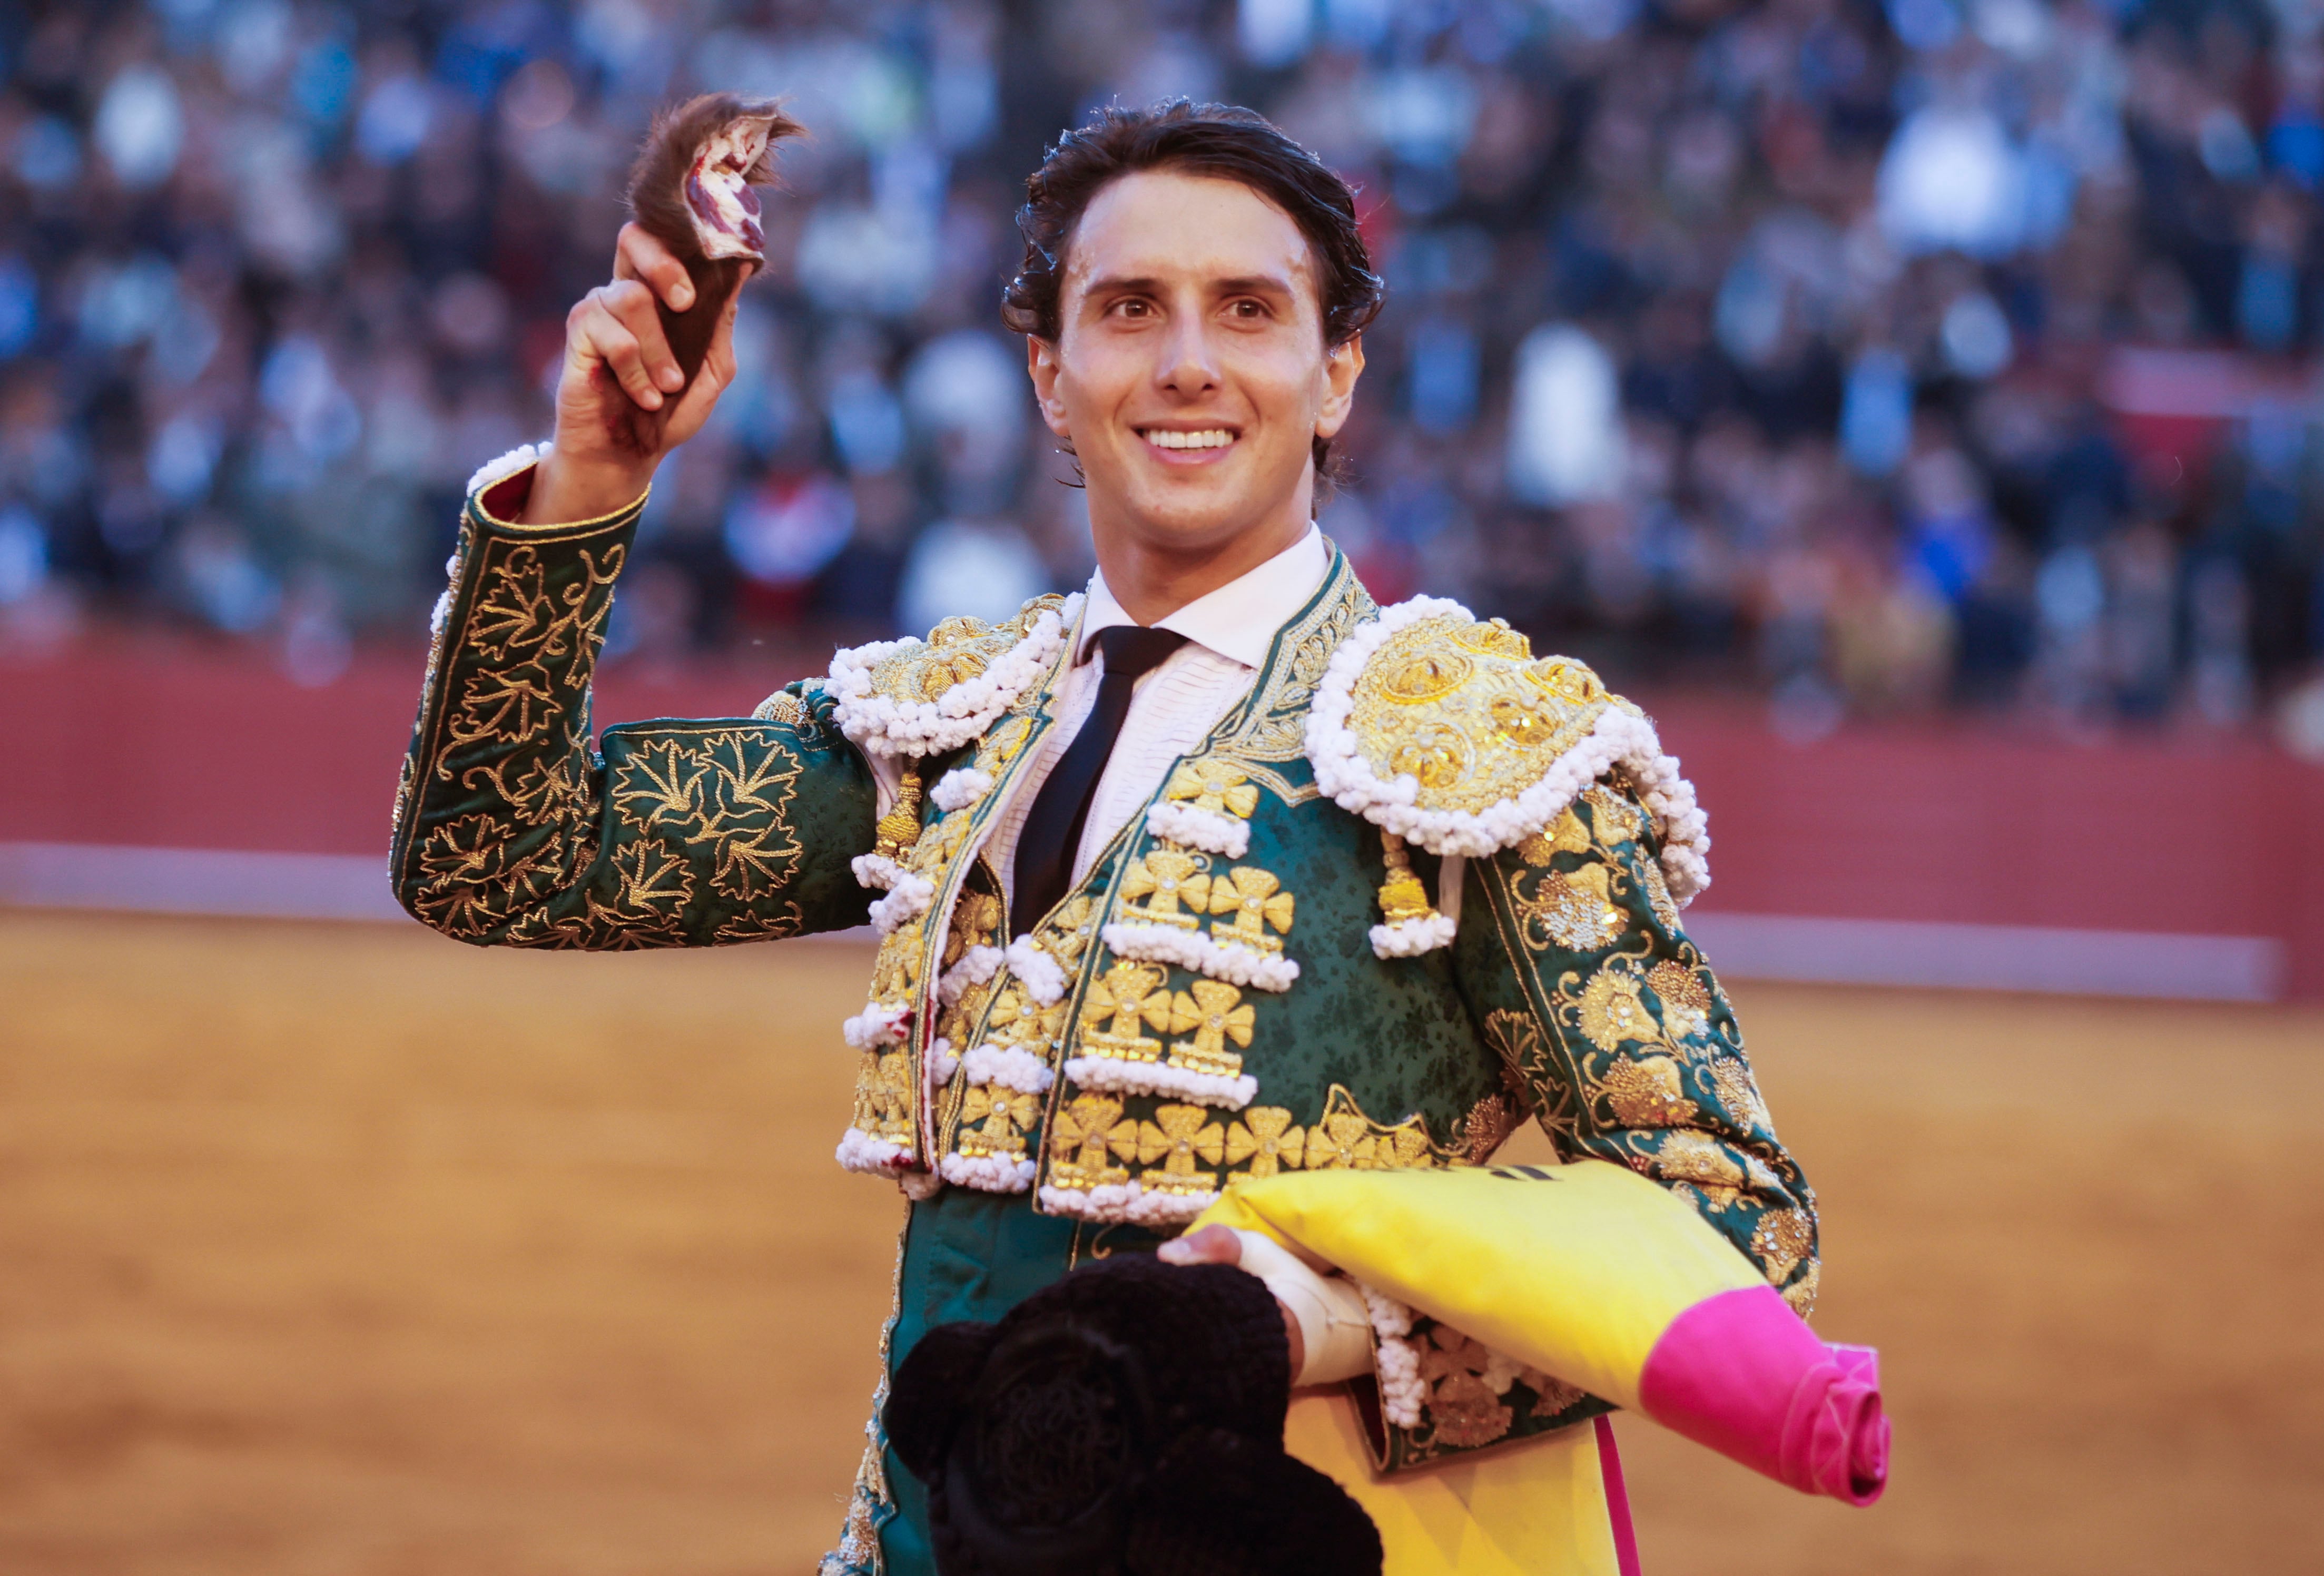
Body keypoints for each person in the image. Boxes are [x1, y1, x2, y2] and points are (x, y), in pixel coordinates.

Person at [391, 100, 1818, 1576]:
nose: (1187, 362)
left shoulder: (1475, 758)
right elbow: (502, 857)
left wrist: (1305, 1324)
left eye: (1248, 312)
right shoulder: (948, 728)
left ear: (1337, 376)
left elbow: (1730, 1224)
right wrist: (592, 486)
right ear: (1050, 377)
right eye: (1129, 309)